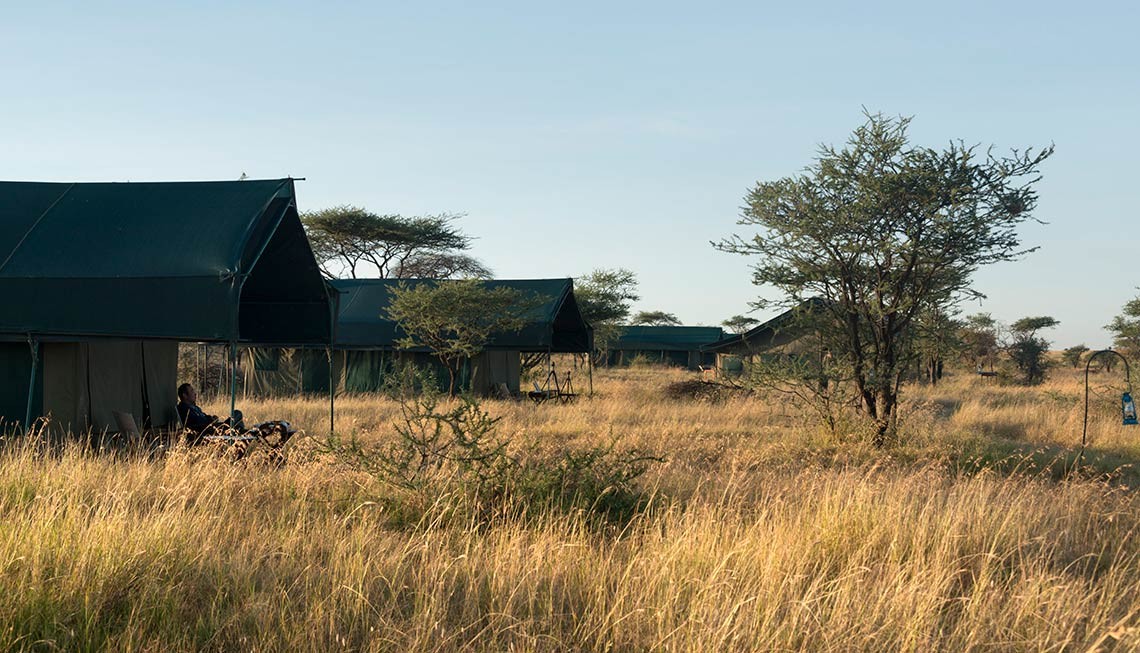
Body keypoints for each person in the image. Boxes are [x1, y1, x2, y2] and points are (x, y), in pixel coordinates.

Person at [176, 383, 244, 444]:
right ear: (184, 395)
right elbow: (197, 422)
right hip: (208, 431)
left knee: (238, 420)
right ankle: (244, 432)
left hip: (213, 427)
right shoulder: (184, 409)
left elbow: (204, 416)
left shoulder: (195, 407)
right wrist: (211, 421)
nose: (195, 393)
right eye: (191, 391)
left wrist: (211, 418)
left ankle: (243, 432)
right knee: (237, 414)